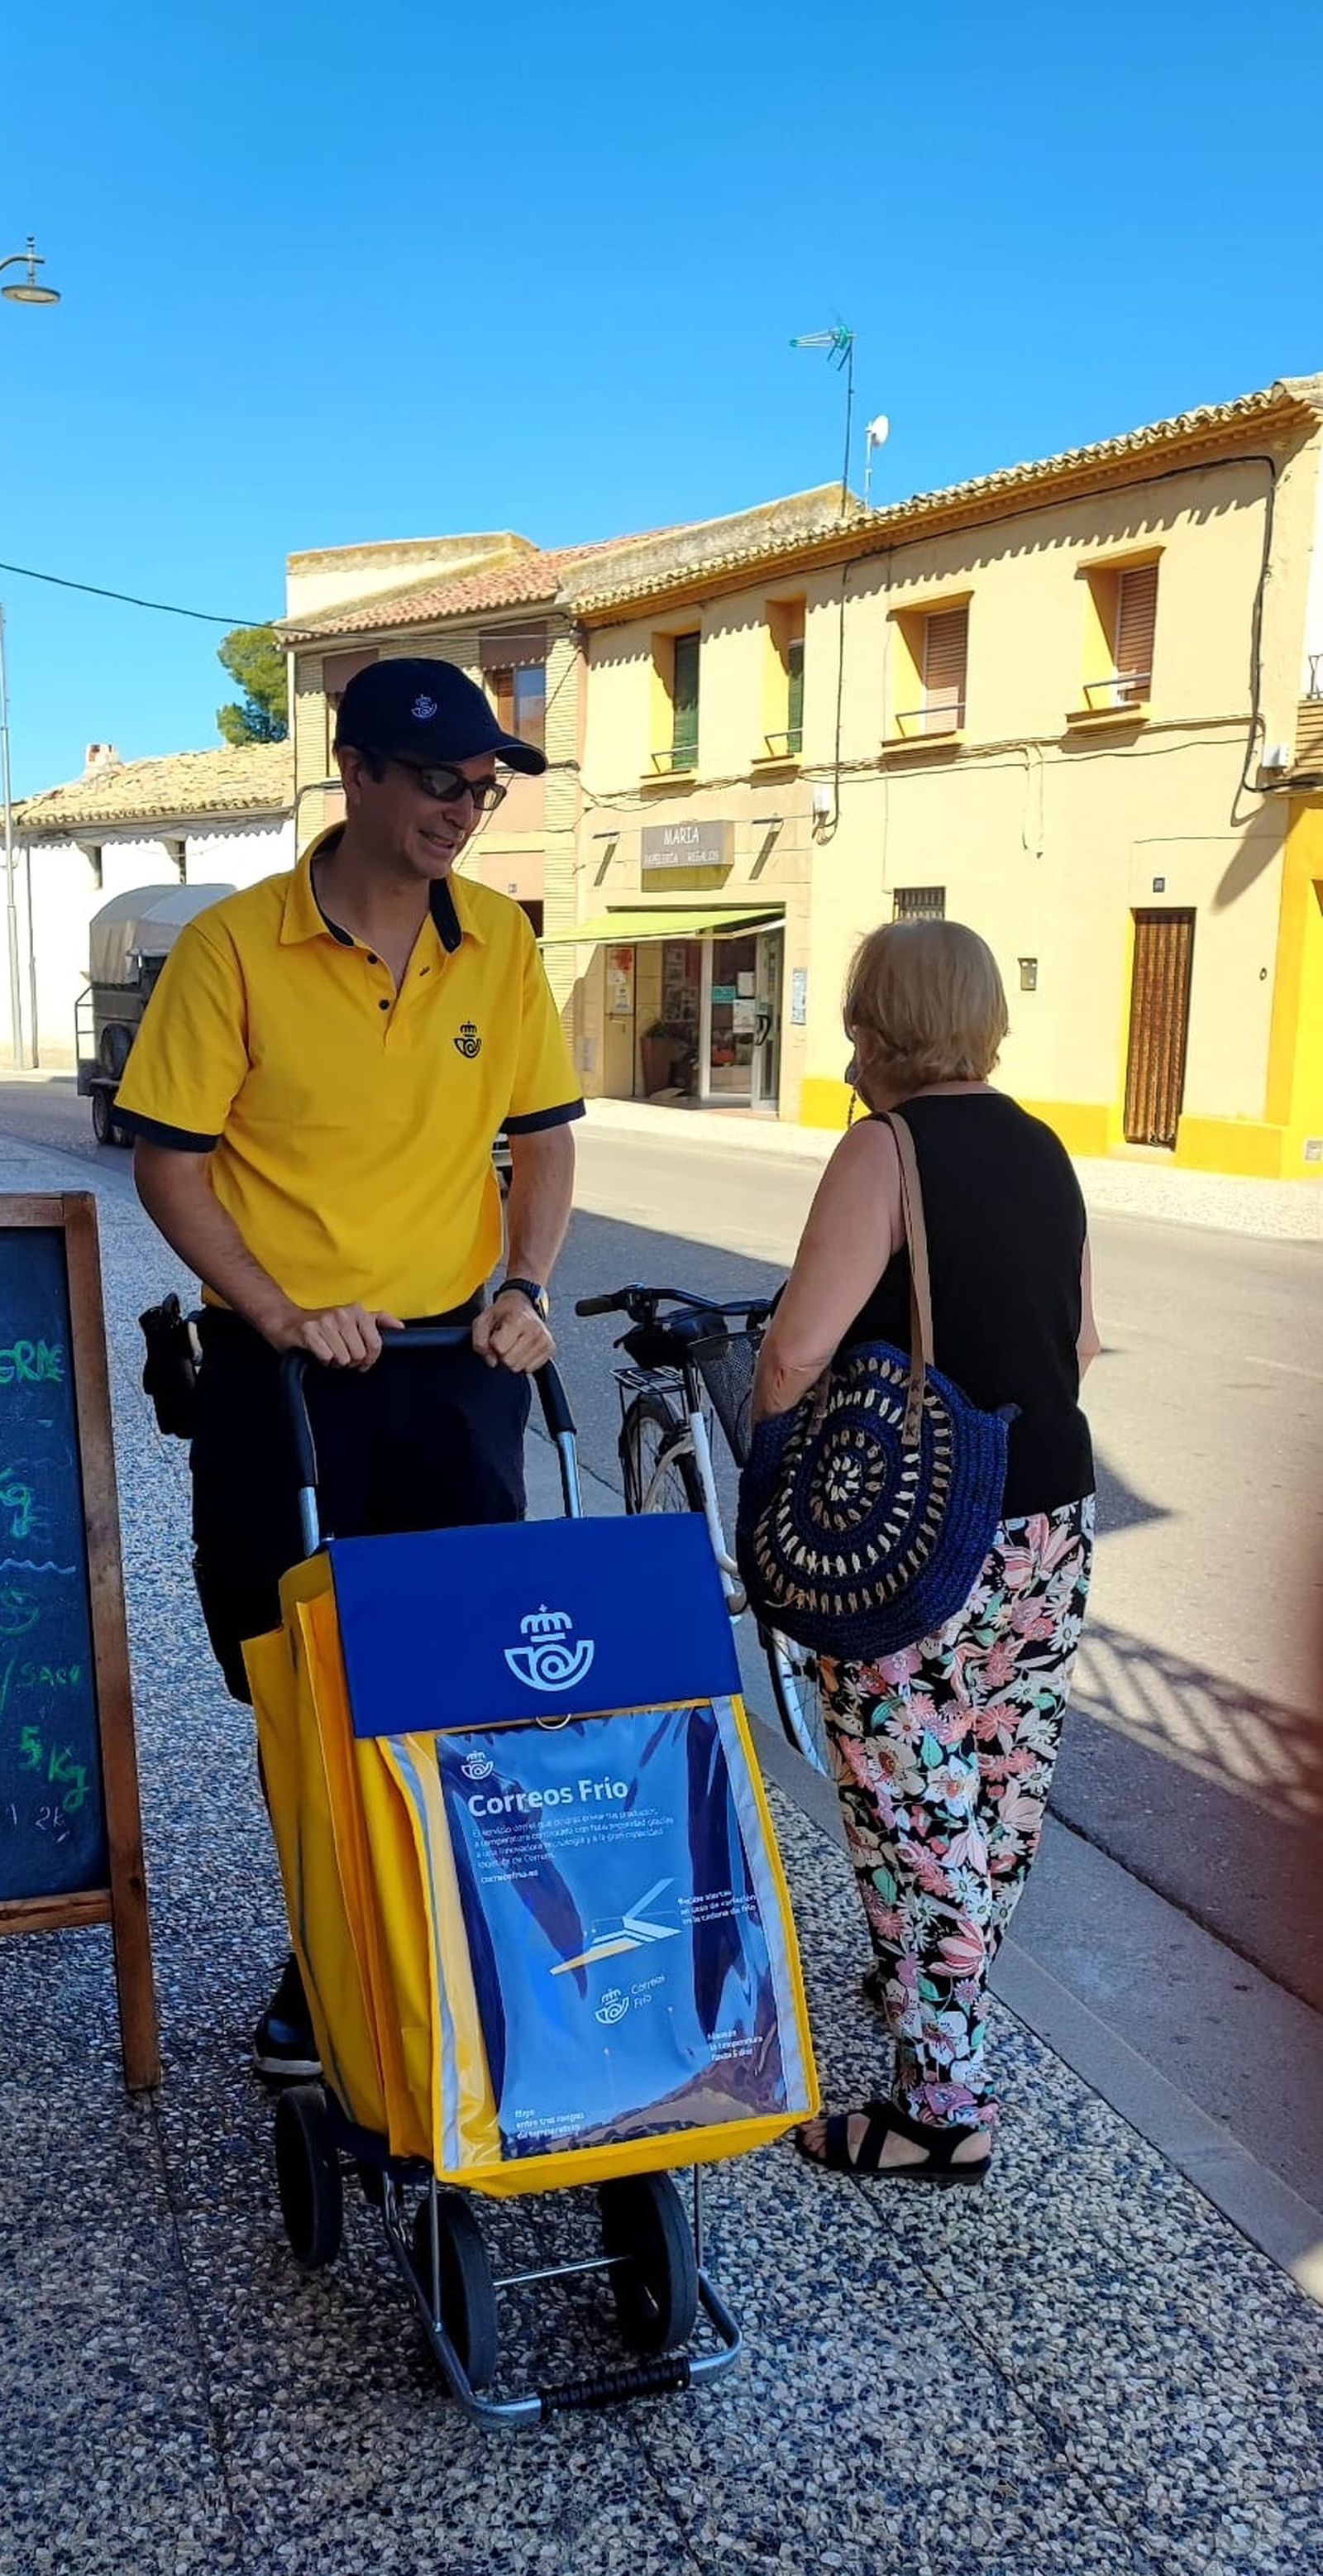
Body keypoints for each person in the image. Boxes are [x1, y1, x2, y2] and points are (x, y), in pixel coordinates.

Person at [115, 657, 583, 2077]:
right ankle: (329, 1966)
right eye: (440, 781)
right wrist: (273, 1309)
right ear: (357, 770)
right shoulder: (236, 951)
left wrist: (524, 1284)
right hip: (288, 1381)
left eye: (484, 788)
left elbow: (545, 1138)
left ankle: (463, 1942)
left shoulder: (497, 943)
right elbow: (171, 1165)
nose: (465, 809)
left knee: (470, 1677)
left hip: (454, 1366)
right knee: (301, 1684)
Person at [751, 918, 1098, 2183]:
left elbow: (794, 1351)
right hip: (1051, 1508)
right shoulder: (1046, 1147)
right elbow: (1083, 1342)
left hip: (924, 1533)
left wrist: (771, 1434)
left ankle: (939, 2112)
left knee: (910, 1802)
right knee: (994, 1791)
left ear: (874, 1024)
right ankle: (931, 1990)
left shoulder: (883, 1149)